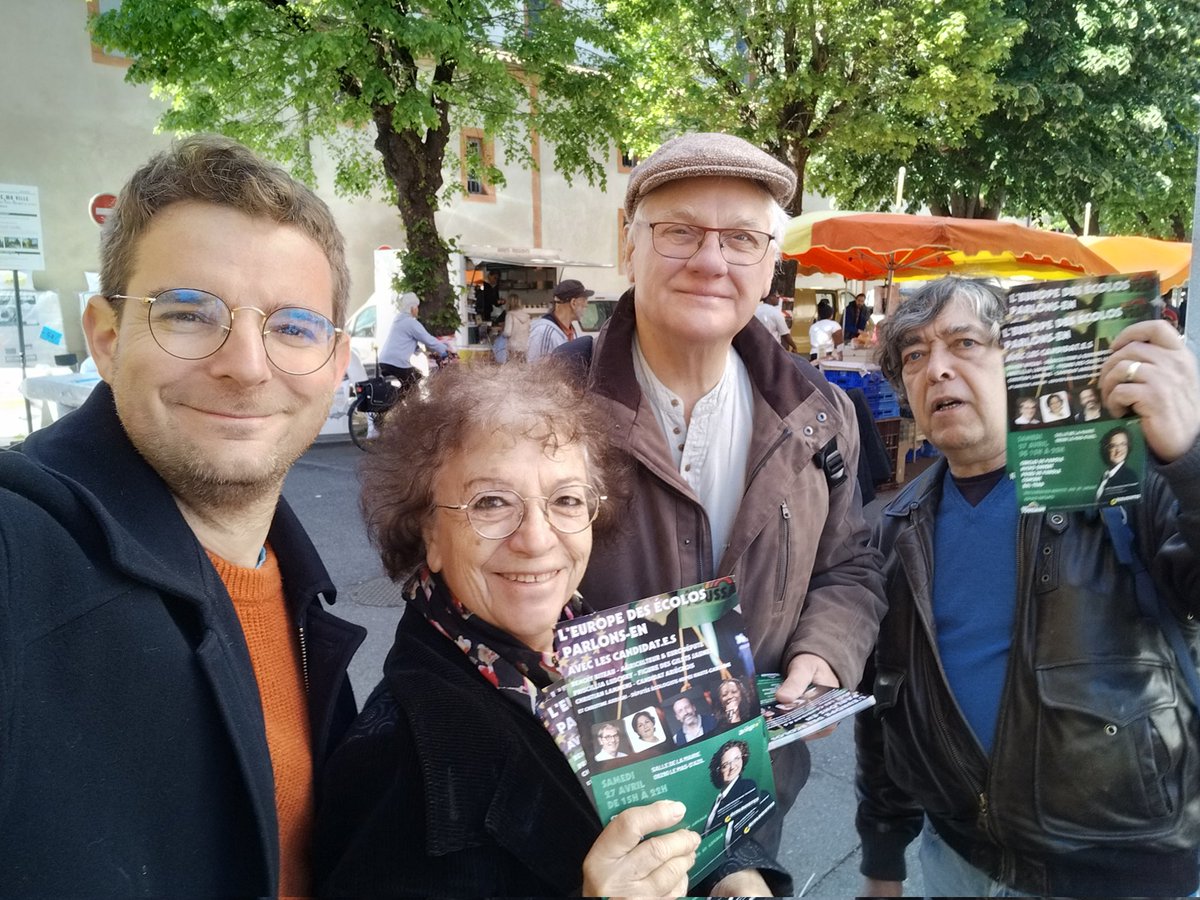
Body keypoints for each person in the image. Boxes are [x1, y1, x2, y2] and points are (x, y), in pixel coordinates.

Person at [0, 135, 367, 895]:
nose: (246, 364)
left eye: (293, 326)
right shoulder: (24, 549)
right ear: (106, 338)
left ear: (336, 363)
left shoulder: (298, 591)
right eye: (191, 314)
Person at [313, 361, 790, 897]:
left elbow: (692, 805)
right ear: (431, 535)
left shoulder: (599, 648)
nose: (536, 540)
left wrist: (734, 874)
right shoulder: (393, 759)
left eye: (565, 500)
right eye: (491, 502)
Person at [567, 131, 887, 855]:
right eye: (680, 232)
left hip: (751, 791)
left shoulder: (820, 414)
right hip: (578, 810)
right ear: (629, 245)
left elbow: (850, 566)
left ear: (769, 263)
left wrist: (827, 650)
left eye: (741, 239)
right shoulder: (545, 405)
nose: (711, 261)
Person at [857, 276, 1200, 897]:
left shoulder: (1125, 487)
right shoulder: (897, 528)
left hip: (1120, 868)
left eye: (965, 343)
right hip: (957, 860)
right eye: (914, 355)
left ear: (1028, 361)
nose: (937, 369)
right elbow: (886, 705)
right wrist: (883, 863)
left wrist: (1190, 458)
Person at [378, 291, 452, 394]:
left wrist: (425, 353)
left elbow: (408, 343)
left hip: (384, 361)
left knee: (413, 379)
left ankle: (398, 400)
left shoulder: (398, 320)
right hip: (397, 363)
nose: (418, 310)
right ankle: (409, 406)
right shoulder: (411, 323)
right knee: (413, 385)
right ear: (412, 308)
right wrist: (445, 351)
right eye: (417, 307)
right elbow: (428, 340)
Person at [704, 741, 765, 847]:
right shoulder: (718, 800)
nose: (732, 767)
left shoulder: (748, 786)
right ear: (718, 770)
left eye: (736, 759)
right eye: (725, 765)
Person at [528, 278, 593, 361]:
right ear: (573, 303)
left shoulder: (571, 331)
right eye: (584, 300)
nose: (586, 305)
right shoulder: (543, 332)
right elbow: (535, 369)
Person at [1095, 424, 1141, 505]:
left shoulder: (1130, 476)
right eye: (1113, 446)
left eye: (1123, 444)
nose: (1119, 450)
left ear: (1128, 447)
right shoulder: (1106, 475)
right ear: (1107, 449)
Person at [502, 292, 532, 363]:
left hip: (513, 348)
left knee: (513, 371)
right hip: (525, 347)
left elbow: (508, 332)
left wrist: (502, 333)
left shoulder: (510, 315)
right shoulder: (527, 316)